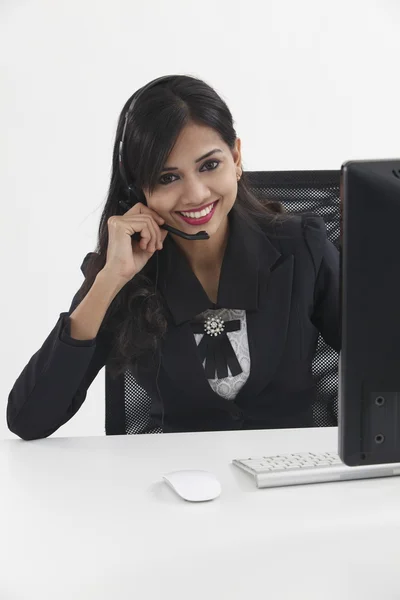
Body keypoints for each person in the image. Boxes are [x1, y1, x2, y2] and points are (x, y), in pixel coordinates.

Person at [7, 74, 340, 441]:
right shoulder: (124, 272)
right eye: (167, 177)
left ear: (236, 157)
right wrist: (109, 281)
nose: (195, 194)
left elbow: (383, 365)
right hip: (179, 483)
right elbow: (29, 419)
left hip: (292, 478)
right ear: (138, 188)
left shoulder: (301, 246)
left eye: (209, 165)